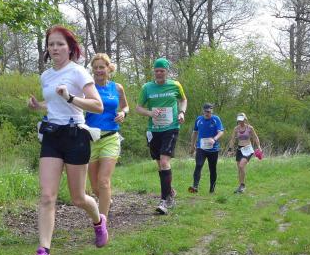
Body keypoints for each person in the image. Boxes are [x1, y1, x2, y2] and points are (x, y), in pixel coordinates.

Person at [25, 26, 107, 255]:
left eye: (60, 44)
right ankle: (44, 253)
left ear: (70, 48)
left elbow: (98, 106)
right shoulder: (46, 76)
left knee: (78, 198)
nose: (55, 48)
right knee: (47, 195)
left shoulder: (78, 72)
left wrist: (71, 97)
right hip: (52, 135)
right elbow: (54, 103)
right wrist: (38, 105)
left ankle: (98, 220)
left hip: (75, 135)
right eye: (51, 44)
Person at [135, 58, 188, 215]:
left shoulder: (175, 85)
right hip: (154, 130)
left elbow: (183, 99)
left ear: (167, 71)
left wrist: (182, 112)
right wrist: (150, 113)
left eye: (162, 71)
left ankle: (164, 200)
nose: (159, 73)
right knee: (160, 165)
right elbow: (138, 108)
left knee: (165, 162)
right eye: (156, 71)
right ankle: (169, 191)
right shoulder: (147, 88)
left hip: (171, 127)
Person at [86, 53, 129, 217]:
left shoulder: (117, 88)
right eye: (95, 67)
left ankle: (101, 222)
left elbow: (125, 106)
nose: (98, 70)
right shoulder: (87, 88)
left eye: (101, 67)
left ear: (108, 68)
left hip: (111, 137)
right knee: (95, 186)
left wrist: (123, 113)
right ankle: (106, 200)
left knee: (103, 181)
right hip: (91, 139)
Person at [188, 103, 225, 194]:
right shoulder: (199, 119)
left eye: (209, 112)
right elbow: (195, 132)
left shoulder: (216, 119)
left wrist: (214, 139)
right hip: (201, 148)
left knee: (212, 169)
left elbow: (221, 132)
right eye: (205, 111)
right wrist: (192, 145)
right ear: (203, 111)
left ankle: (212, 189)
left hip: (213, 149)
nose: (207, 113)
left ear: (212, 111)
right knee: (198, 165)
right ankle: (195, 186)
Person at [227, 113, 262, 193]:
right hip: (240, 149)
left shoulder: (250, 128)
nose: (240, 122)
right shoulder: (236, 129)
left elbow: (255, 137)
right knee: (239, 169)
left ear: (245, 119)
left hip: (248, 149)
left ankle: (243, 186)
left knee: (241, 165)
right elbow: (232, 139)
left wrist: (259, 147)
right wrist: (230, 149)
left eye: (242, 120)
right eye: (239, 120)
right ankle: (240, 187)